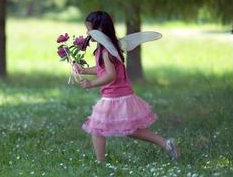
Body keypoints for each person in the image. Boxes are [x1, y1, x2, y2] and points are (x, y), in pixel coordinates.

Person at [74, 10, 179, 162]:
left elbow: (111, 75)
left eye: (90, 28)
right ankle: (166, 143)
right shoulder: (106, 48)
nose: (87, 31)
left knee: (97, 128)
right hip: (121, 94)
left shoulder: (105, 51)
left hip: (114, 96)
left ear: (100, 29)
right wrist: (84, 70)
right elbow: (102, 69)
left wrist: (92, 83)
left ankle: (100, 162)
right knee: (129, 129)